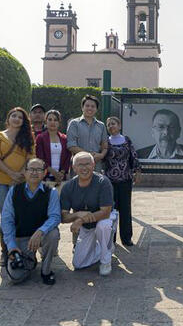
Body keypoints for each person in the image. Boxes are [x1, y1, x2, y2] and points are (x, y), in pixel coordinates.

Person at [1, 158, 61, 285]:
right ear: (25, 172)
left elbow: (55, 217)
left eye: (39, 169)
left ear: (45, 173)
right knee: (16, 277)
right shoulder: (14, 191)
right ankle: (30, 259)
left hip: (41, 236)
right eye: (31, 169)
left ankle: (46, 271)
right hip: (21, 237)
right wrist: (11, 246)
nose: (35, 172)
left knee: (53, 234)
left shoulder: (51, 192)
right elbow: (7, 220)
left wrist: (40, 231)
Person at [0, 107, 36, 268]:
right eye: (13, 116)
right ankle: (6, 251)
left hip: (20, 183)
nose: (16, 119)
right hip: (2, 182)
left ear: (24, 122)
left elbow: (30, 158)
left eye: (20, 117)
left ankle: (20, 249)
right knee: (6, 216)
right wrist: (11, 173)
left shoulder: (28, 137)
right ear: (8, 119)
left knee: (19, 215)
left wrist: (20, 174)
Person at [59, 152, 117, 276]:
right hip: (87, 225)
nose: (84, 168)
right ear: (74, 168)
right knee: (79, 264)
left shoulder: (103, 182)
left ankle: (105, 260)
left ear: (93, 165)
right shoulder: (68, 187)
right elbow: (64, 217)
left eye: (87, 164)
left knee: (104, 226)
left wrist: (81, 220)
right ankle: (105, 248)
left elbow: (105, 212)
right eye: (80, 165)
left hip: (105, 219)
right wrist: (78, 214)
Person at [104, 116, 142, 246]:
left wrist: (137, 171)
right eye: (108, 124)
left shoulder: (126, 140)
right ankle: (111, 238)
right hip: (110, 181)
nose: (111, 126)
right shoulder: (105, 142)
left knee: (125, 209)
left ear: (119, 125)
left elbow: (133, 156)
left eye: (113, 123)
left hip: (126, 179)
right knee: (111, 210)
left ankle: (126, 238)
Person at [66, 95, 108, 171]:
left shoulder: (101, 126)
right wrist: (89, 155)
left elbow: (105, 146)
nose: (90, 108)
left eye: (93, 106)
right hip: (79, 166)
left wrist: (101, 155)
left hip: (96, 166)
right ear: (82, 108)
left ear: (96, 109)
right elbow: (71, 146)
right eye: (87, 106)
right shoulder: (74, 124)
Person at [36, 109, 71, 186]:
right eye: (50, 119)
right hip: (45, 177)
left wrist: (61, 173)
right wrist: (54, 173)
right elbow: (40, 158)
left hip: (61, 178)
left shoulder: (64, 138)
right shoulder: (40, 138)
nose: (52, 122)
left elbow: (68, 157)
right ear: (46, 121)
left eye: (55, 120)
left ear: (59, 123)